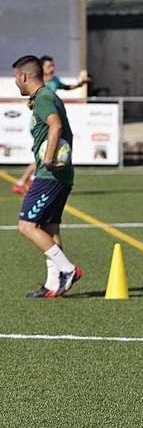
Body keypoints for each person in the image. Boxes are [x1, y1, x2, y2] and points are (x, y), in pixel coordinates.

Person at [12, 55, 83, 298]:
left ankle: (67, 269)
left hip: (49, 175)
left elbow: (55, 125)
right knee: (49, 227)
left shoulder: (43, 97)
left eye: (15, 78)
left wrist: (50, 157)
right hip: (60, 176)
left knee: (26, 226)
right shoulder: (43, 97)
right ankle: (54, 284)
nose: (15, 83)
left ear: (23, 76)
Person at [11, 56, 90, 196]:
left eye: (53, 65)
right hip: (42, 123)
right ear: (41, 69)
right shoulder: (41, 89)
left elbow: (67, 87)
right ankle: (27, 180)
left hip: (51, 121)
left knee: (45, 154)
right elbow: (35, 102)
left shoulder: (54, 82)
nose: (52, 68)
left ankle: (26, 181)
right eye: (49, 66)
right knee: (45, 153)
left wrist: (80, 84)